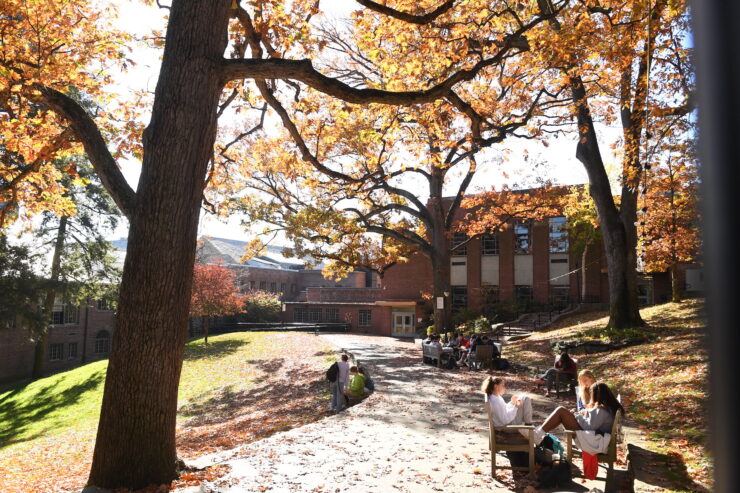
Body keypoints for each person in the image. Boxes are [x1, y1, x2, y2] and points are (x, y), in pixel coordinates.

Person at [531, 382, 624, 444]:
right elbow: (593, 423)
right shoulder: (607, 408)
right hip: (595, 437)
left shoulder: (602, 410)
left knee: (561, 411)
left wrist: (575, 416)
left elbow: (588, 427)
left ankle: (538, 433)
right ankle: (539, 433)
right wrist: (584, 413)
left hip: (593, 440)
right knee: (562, 412)